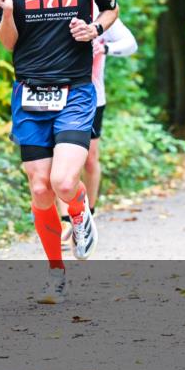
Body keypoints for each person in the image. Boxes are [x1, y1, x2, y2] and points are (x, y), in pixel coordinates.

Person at [0, 0, 119, 304]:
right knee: (40, 189)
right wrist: (8, 12)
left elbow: (112, 9)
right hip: (28, 92)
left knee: (64, 183)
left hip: (76, 91)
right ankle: (55, 273)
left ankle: (80, 215)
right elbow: (7, 42)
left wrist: (94, 28)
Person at [54, 15, 138, 245]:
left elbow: (130, 44)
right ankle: (66, 220)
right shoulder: (58, 3)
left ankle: (88, 213)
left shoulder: (100, 12)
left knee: (89, 159)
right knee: (61, 159)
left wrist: (104, 47)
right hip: (58, 96)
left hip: (92, 97)